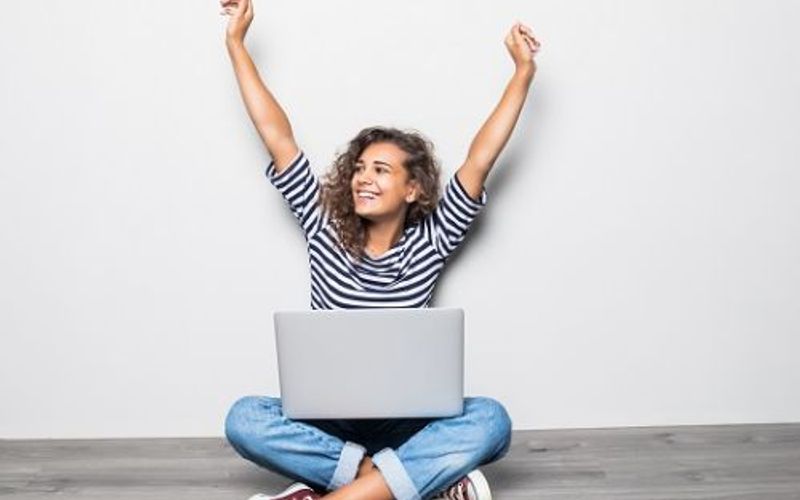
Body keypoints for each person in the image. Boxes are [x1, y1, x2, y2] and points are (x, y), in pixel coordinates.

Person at [219, 1, 540, 499]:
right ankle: (399, 482)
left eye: (381, 170)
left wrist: (522, 73)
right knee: (244, 418)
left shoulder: (432, 239)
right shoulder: (323, 225)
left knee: (492, 421)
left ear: (413, 189)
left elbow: (481, 158)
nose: (363, 178)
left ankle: (339, 492)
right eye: (360, 168)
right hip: (329, 422)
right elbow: (276, 135)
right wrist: (236, 44)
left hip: (407, 424)